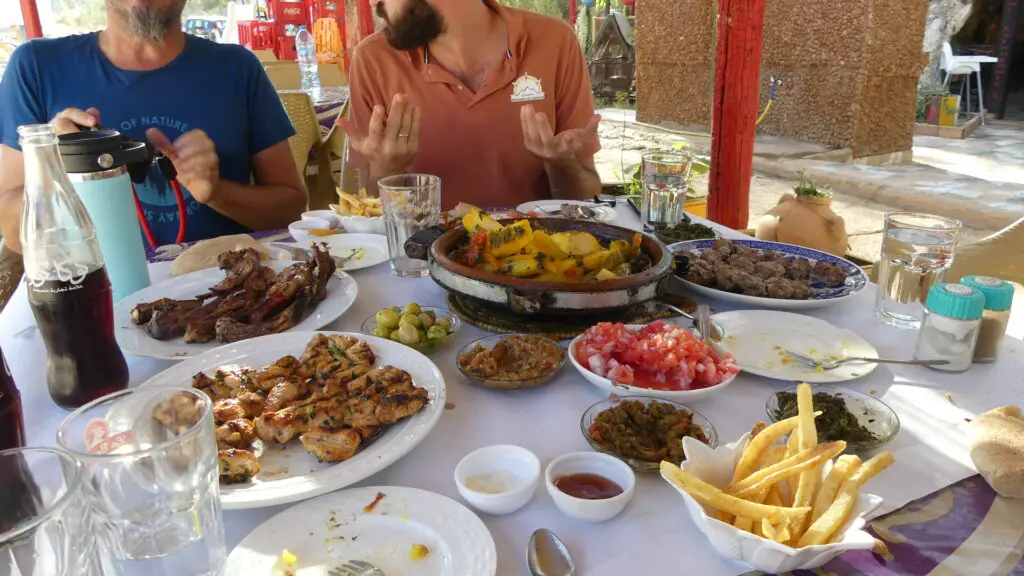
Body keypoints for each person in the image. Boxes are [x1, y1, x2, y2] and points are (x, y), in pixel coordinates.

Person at [0, 0, 307, 283]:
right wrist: (55, 166)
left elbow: (291, 209)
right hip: (93, 296)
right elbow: (14, 233)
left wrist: (217, 193)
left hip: (229, 295)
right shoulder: (36, 67)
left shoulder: (238, 68)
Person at [339, 0, 602, 208]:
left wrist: (561, 165)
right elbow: (369, 215)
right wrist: (387, 170)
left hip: (535, 261)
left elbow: (585, 201)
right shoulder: (374, 60)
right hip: (423, 265)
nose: (373, 2)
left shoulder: (553, 41)